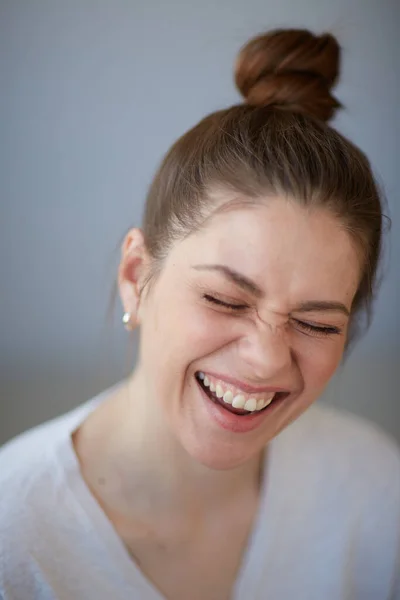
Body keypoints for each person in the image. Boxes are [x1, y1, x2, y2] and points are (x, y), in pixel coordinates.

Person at [0, 27, 399, 600]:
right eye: (225, 300)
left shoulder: (377, 497)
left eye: (316, 324)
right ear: (137, 276)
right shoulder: (15, 536)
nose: (265, 361)